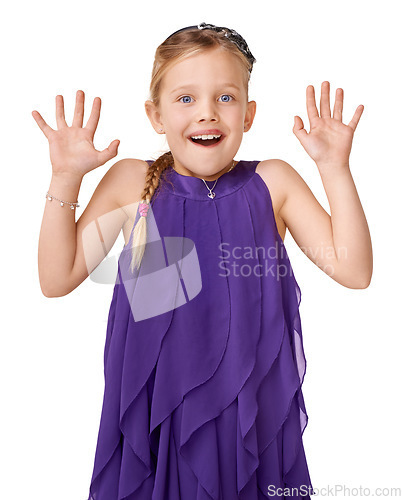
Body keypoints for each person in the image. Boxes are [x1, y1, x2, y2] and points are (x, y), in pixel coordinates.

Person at [33, 21, 372, 500]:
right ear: (156, 114)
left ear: (249, 113)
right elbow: (56, 277)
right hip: (157, 423)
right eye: (186, 98)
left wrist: (335, 169)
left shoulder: (273, 183)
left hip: (248, 423)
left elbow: (354, 271)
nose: (207, 114)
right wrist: (66, 176)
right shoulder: (132, 183)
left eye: (226, 98)